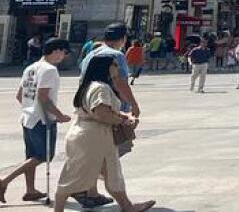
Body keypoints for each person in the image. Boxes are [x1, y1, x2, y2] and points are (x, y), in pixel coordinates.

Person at [51, 56, 155, 212]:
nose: (117, 68)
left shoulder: (90, 85)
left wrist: (123, 116)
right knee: (75, 174)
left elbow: (104, 110)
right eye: (114, 65)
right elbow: (101, 113)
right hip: (93, 136)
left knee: (111, 172)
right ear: (105, 67)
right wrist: (122, 121)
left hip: (86, 133)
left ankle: (127, 206)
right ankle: (58, 209)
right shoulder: (101, 87)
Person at [0, 38, 71, 204]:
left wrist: (29, 108)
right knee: (43, 155)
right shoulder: (50, 70)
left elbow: (20, 95)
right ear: (56, 51)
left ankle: (30, 190)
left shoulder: (30, 68)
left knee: (31, 156)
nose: (64, 56)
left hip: (27, 117)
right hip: (42, 120)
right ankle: (4, 180)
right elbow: (43, 97)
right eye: (64, 52)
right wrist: (59, 115)